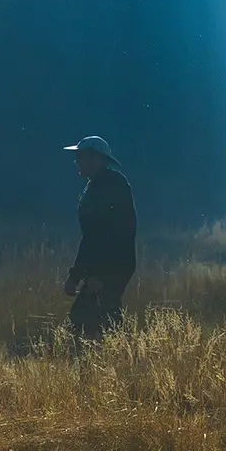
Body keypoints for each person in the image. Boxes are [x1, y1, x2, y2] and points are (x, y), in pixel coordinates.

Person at [61, 135, 137, 339]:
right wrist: (78, 274)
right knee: (104, 322)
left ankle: (118, 362)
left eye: (81, 156)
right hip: (110, 268)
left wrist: (102, 276)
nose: (77, 161)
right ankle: (125, 361)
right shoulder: (101, 185)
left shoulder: (109, 186)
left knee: (86, 321)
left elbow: (111, 235)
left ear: (96, 158)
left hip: (111, 269)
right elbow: (92, 237)